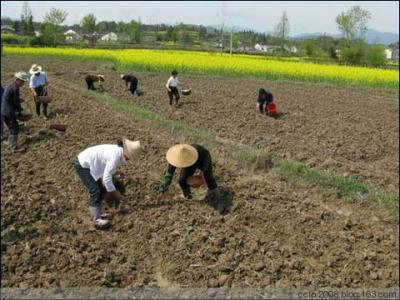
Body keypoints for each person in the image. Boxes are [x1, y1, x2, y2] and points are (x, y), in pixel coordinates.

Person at [74, 138, 141, 227]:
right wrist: (114, 192)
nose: (129, 159)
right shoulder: (116, 155)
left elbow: (106, 166)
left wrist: (114, 173)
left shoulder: (117, 152)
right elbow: (106, 178)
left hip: (91, 165)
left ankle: (98, 213)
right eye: (131, 156)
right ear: (126, 152)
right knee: (95, 190)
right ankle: (96, 219)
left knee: (100, 189)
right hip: (83, 165)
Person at [1, 72, 30, 153]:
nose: (23, 83)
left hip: (5, 110)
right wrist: (20, 112)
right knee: (14, 129)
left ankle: (11, 145)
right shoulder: (15, 88)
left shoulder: (11, 85)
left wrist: (18, 101)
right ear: (18, 80)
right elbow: (16, 103)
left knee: (13, 127)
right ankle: (13, 148)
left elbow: (11, 99)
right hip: (8, 112)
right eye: (23, 81)